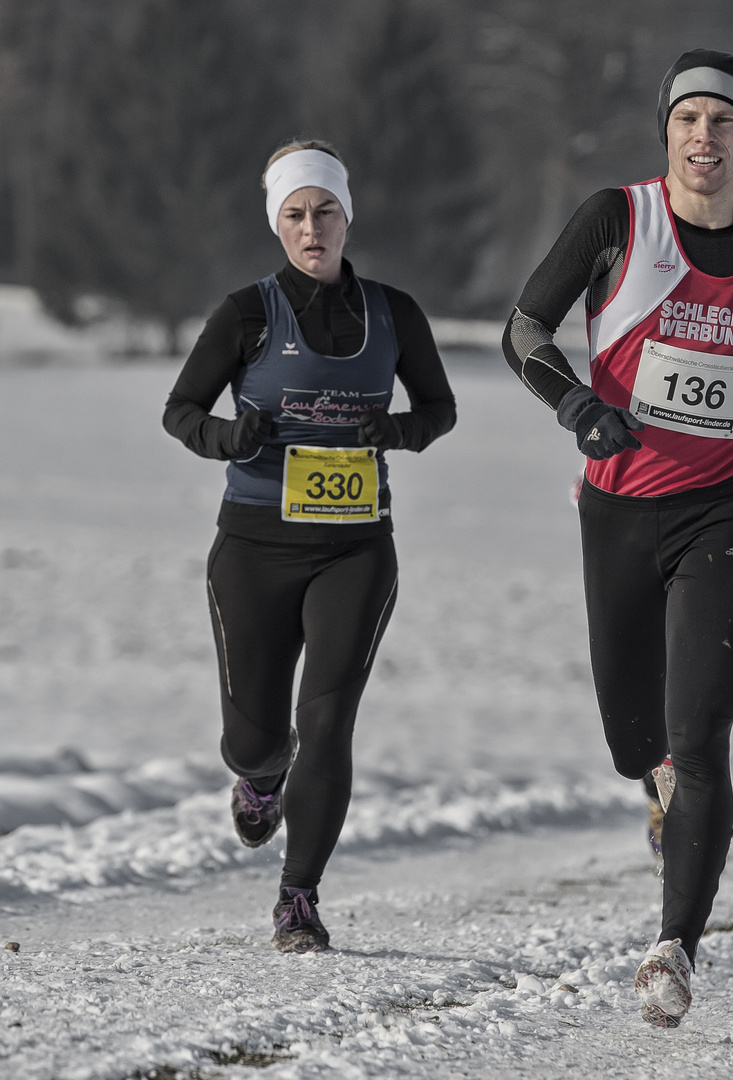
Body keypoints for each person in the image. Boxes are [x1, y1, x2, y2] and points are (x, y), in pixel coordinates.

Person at [501, 49, 733, 1028]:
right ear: (665, 133)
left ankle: (673, 949)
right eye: (687, 120)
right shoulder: (615, 221)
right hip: (616, 509)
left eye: (722, 122)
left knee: (700, 733)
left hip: (721, 510)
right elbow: (524, 329)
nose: (703, 138)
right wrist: (578, 407)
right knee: (636, 736)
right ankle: (655, 783)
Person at [162, 141, 456, 952]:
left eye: (325, 210)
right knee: (254, 740)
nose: (311, 226)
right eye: (295, 214)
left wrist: (398, 429)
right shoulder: (246, 314)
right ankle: (260, 779)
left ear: (347, 217)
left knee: (326, 724)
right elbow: (180, 409)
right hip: (253, 548)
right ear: (277, 226)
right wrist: (226, 436)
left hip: (354, 552)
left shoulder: (394, 313)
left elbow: (439, 407)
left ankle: (299, 897)